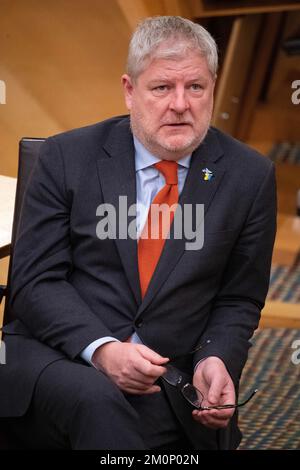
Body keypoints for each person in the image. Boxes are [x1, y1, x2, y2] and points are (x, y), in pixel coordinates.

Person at [0, 16, 276, 450]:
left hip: (169, 373)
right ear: (130, 91)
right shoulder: (67, 156)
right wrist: (103, 348)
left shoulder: (250, 176)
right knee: (98, 404)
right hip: (62, 355)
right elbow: (34, 282)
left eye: (196, 87)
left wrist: (216, 356)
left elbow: (239, 297)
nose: (181, 104)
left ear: (214, 88)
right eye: (162, 88)